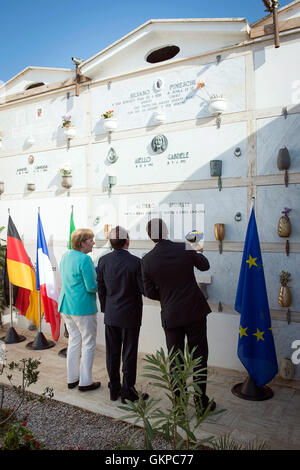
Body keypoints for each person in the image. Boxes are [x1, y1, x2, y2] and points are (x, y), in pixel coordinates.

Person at [141, 218, 215, 414]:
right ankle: (201, 402)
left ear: (150, 236)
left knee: (176, 360)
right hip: (194, 311)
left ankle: (179, 406)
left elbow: (148, 292)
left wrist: (166, 297)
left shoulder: (147, 260)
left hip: (171, 315)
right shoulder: (185, 247)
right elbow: (205, 266)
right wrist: (197, 247)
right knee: (199, 357)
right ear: (166, 231)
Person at [97, 226, 148, 404]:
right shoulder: (136, 262)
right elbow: (144, 289)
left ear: (111, 243)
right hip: (131, 315)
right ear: (127, 241)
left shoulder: (103, 261)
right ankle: (128, 390)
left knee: (112, 352)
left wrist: (106, 309)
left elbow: (101, 289)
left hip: (111, 314)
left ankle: (114, 389)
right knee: (129, 352)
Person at [58, 228, 100, 392]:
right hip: (82, 307)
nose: (93, 243)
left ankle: (72, 379)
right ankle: (85, 382)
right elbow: (91, 287)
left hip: (66, 305)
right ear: (82, 243)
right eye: (91, 240)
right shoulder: (85, 260)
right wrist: (103, 283)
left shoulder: (66, 256)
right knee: (89, 343)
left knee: (74, 341)